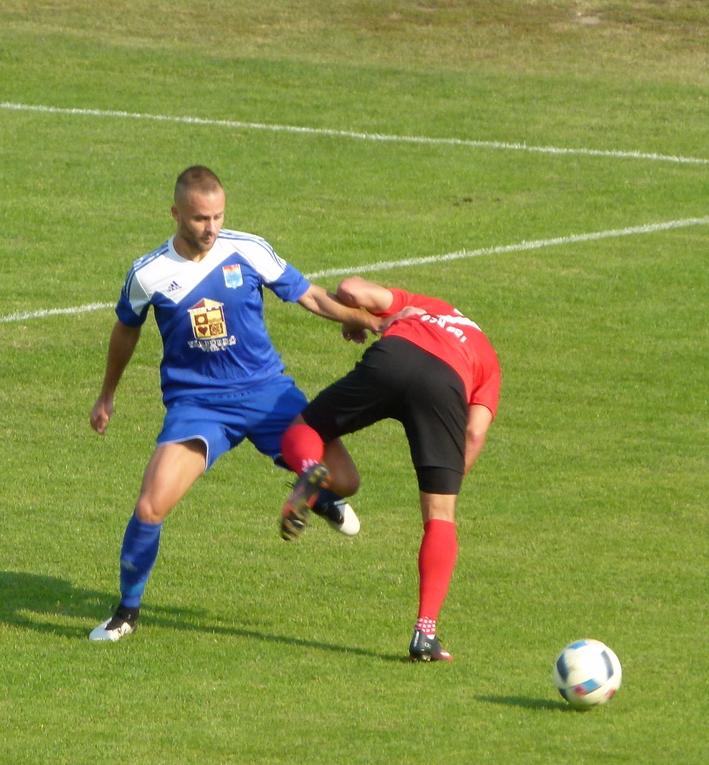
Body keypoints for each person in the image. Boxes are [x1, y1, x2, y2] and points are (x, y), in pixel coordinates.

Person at [87, 166, 379, 642]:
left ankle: (317, 495)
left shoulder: (248, 250)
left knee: (347, 480)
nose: (211, 228)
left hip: (268, 394)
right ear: (176, 213)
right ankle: (126, 613)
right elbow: (126, 330)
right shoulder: (149, 273)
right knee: (150, 506)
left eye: (218, 217)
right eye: (200, 219)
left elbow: (310, 295)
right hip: (198, 405)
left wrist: (365, 319)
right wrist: (107, 395)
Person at [277, 276, 502, 662]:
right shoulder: (489, 360)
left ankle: (311, 472)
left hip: (393, 357)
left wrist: (356, 319)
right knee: (440, 515)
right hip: (445, 384)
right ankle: (425, 633)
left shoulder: (428, 304)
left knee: (306, 429)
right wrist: (449, 476)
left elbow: (350, 289)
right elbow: (476, 430)